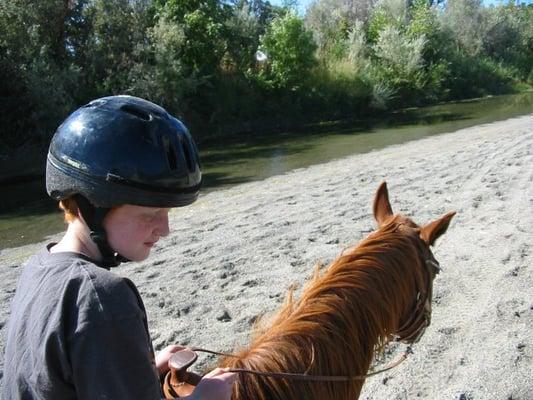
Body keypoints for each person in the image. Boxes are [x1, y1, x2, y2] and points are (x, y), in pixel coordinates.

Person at [2, 95, 236, 400]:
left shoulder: (39, 267)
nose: (164, 229)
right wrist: (204, 397)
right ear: (93, 206)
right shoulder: (102, 297)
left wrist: (140, 370)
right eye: (149, 214)